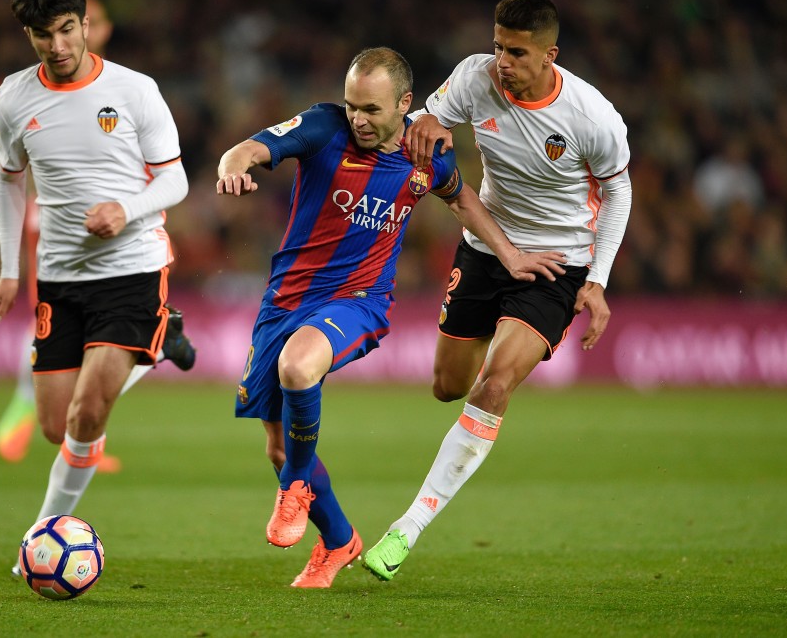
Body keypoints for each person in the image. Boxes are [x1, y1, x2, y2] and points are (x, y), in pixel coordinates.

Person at [216, 47, 565, 588]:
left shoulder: (426, 155)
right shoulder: (320, 125)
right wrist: (233, 167)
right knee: (280, 447)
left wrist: (512, 254)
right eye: (353, 105)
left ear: (404, 104)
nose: (357, 118)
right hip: (284, 300)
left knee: (297, 367)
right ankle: (338, 542)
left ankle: (296, 489)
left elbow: (463, 201)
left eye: (371, 110)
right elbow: (250, 148)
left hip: (358, 300)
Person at [361, 0, 633, 581]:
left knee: (493, 385)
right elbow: (427, 120)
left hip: (557, 266)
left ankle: (406, 530)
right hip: (486, 250)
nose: (502, 61)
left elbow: (619, 194)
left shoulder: (593, 118)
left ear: (549, 54)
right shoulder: (474, 77)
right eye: (497, 47)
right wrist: (426, 125)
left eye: (516, 52)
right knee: (446, 386)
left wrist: (599, 281)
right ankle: (484, 377)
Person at [0, 0, 190, 574]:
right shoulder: (14, 96)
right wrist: (8, 271)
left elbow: (175, 177)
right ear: (29, 35)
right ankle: (162, 341)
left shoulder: (134, 90)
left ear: (85, 25)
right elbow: (7, 178)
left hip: (132, 269)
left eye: (68, 30)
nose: (59, 46)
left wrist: (126, 209)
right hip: (60, 276)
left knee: (86, 415)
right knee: (55, 426)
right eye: (44, 35)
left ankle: (37, 544)